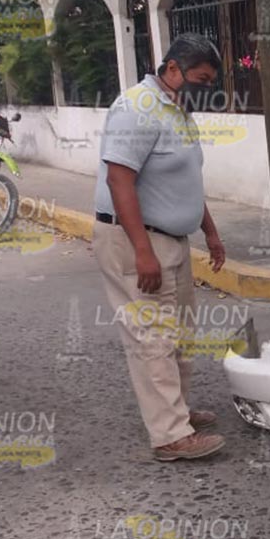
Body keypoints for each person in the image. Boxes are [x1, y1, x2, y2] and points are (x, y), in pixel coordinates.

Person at [92, 33, 228, 462]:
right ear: (172, 69)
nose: (204, 88)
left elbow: (184, 178)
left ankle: (177, 412)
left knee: (180, 334)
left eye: (209, 82)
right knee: (153, 336)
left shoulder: (176, 111)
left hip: (173, 240)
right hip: (139, 240)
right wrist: (142, 252)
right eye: (200, 79)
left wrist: (209, 230)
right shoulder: (136, 108)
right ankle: (169, 435)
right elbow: (119, 179)